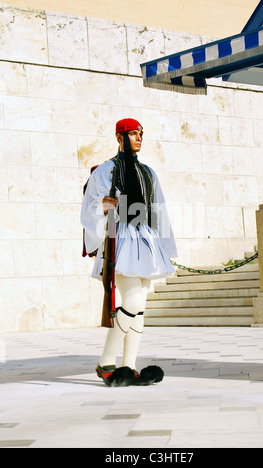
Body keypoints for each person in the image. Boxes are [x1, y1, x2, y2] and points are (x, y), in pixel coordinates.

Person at [80, 118, 177, 386]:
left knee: (140, 306)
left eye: (140, 134)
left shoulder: (148, 172)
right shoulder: (106, 171)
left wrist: (164, 246)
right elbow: (89, 208)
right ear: (119, 137)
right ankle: (105, 362)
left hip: (145, 239)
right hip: (120, 240)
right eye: (133, 134)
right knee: (132, 302)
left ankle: (129, 366)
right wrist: (102, 206)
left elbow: (159, 208)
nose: (138, 138)